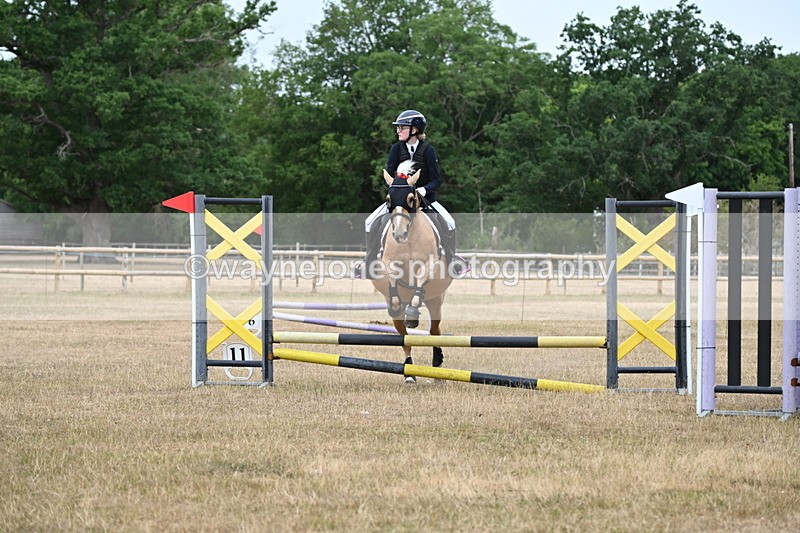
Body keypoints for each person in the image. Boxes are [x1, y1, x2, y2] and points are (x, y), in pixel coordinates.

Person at [360, 109, 464, 278]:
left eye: (402, 127)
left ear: (414, 130)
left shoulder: (428, 150)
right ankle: (369, 261)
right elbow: (390, 175)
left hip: (425, 200)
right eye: (398, 128)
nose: (398, 131)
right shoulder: (395, 149)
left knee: (450, 222)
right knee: (369, 222)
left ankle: (452, 261)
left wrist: (423, 189)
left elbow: (436, 180)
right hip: (400, 201)